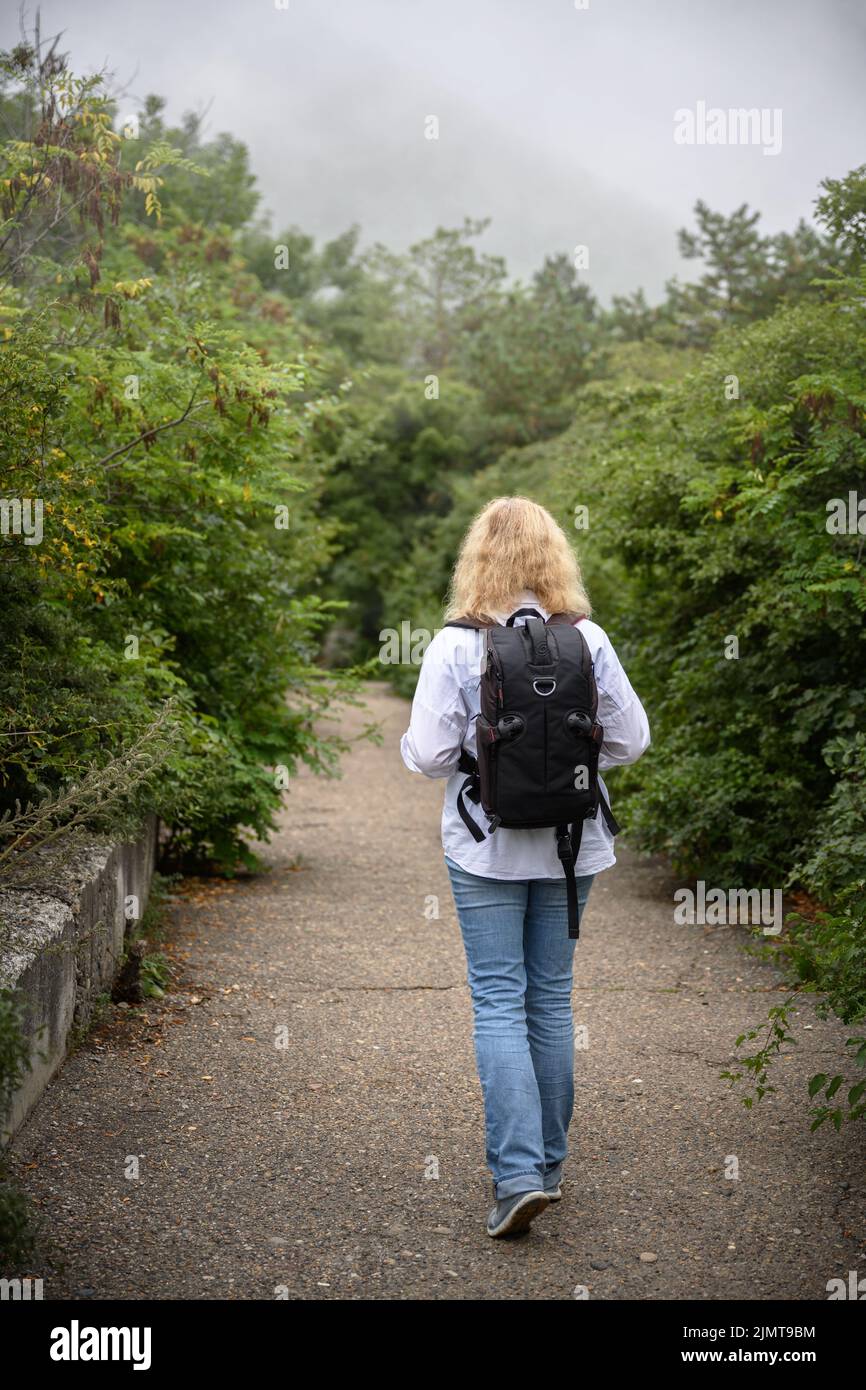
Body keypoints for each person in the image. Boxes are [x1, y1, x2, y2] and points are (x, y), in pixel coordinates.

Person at [400, 496, 650, 1237]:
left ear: (477, 559)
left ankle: (516, 1178)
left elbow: (430, 756)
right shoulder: (589, 639)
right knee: (551, 1000)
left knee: (499, 1002)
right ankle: (548, 1166)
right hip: (576, 845)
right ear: (554, 557)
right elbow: (631, 741)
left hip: (486, 845)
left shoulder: (455, 646)